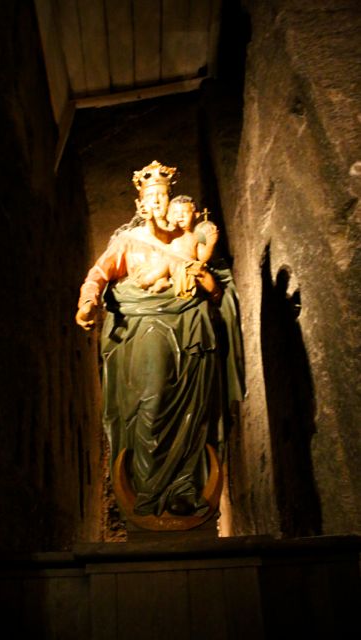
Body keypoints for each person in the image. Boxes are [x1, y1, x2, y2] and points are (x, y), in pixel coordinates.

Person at [76, 160, 244, 517]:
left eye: (163, 197)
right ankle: (150, 493)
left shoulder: (191, 241)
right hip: (146, 328)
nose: (157, 203)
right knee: (151, 404)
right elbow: (98, 274)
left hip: (193, 330)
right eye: (151, 198)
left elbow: (218, 291)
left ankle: (185, 489)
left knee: (193, 413)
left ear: (174, 202)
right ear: (140, 204)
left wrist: (209, 285)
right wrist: (87, 302)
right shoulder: (128, 241)